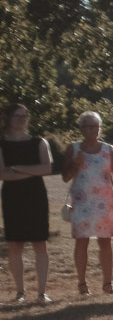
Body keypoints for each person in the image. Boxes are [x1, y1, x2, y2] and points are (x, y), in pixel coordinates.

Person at [62, 111, 113, 296]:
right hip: (82, 202)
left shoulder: (110, 150)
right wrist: (75, 164)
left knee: (105, 242)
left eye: (95, 126)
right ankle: (82, 284)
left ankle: (108, 283)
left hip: (104, 202)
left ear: (100, 128)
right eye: (88, 126)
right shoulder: (73, 149)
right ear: (81, 128)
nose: (92, 130)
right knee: (81, 242)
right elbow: (65, 177)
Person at [2, 102, 54, 303]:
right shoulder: (2, 144)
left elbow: (47, 169)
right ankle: (20, 292)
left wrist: (17, 169)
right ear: (8, 118)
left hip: (36, 196)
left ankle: (42, 292)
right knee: (15, 245)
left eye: (25, 115)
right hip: (12, 197)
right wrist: (31, 170)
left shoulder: (39, 142)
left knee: (40, 244)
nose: (22, 119)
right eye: (17, 115)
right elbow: (2, 174)